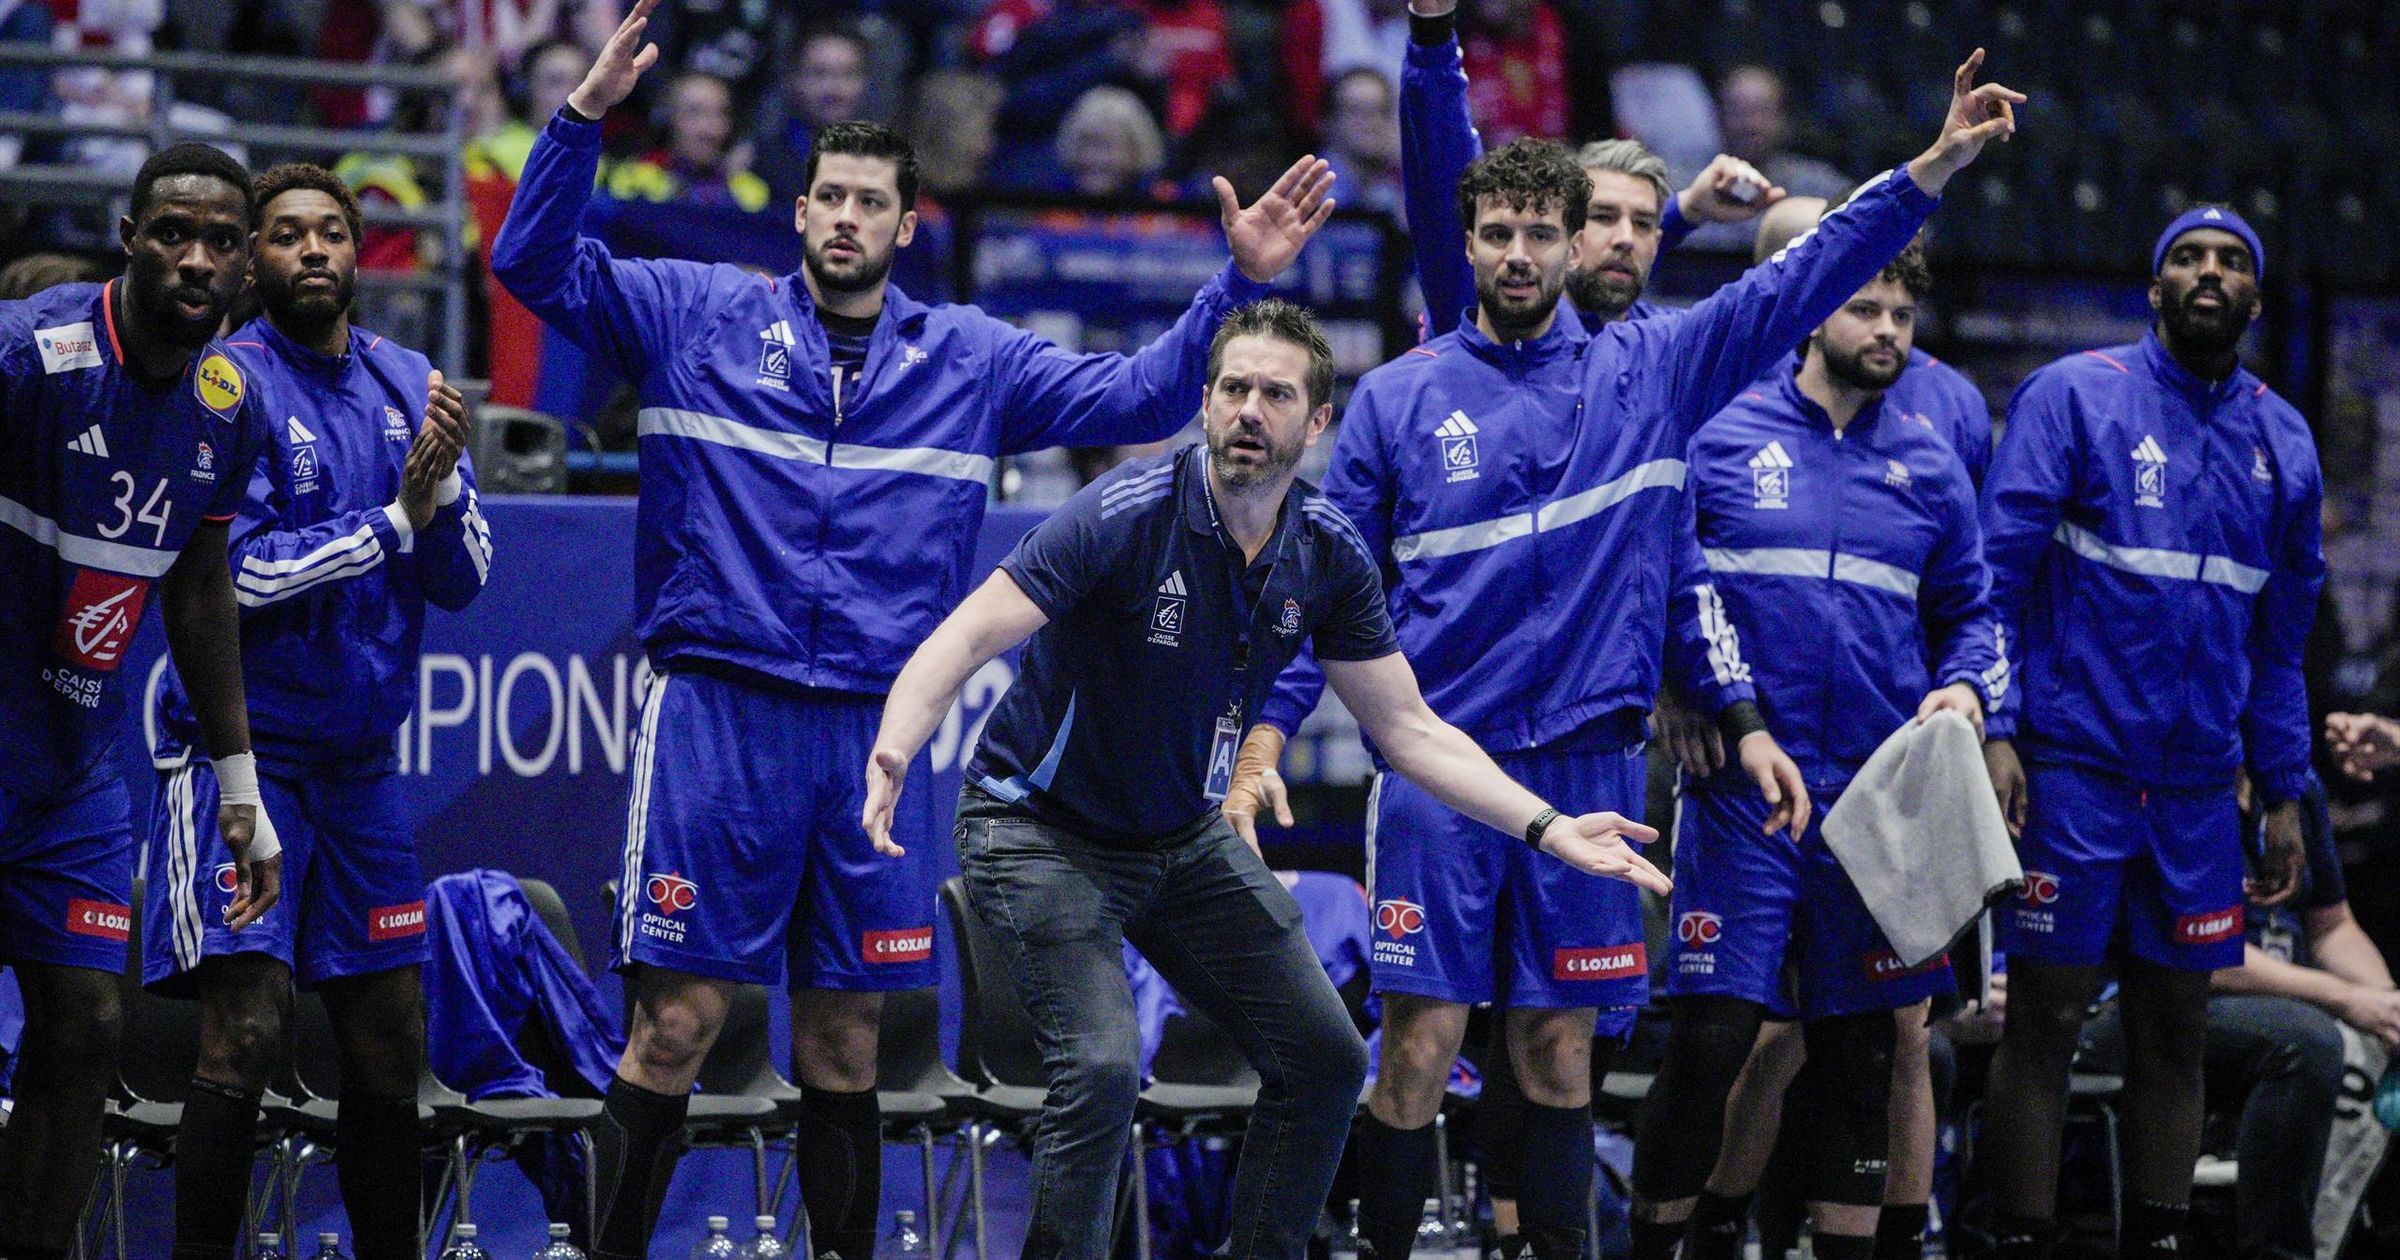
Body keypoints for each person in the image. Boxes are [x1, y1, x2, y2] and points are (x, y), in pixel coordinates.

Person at [489, 5, 1340, 1258]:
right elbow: (528, 264)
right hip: (718, 714)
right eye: (826, 195)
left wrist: (1240, 284)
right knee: (673, 1029)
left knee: (845, 1041)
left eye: (869, 202)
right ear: (800, 211)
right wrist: (577, 123)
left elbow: (1149, 393)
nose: (844, 217)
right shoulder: (691, 315)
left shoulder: (973, 359)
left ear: (904, 224)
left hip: (882, 731)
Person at [1231, 44, 2027, 1260]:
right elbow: (1326, 594)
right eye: (1493, 232)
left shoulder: (1658, 369)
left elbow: (1807, 270)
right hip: (1443, 773)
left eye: (1536, 234)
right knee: (1423, 1045)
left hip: (1595, 770)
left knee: (1557, 1050)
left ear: (1566, 248)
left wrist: (1932, 165)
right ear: (1469, 244)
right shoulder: (1400, 398)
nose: (1515, 254)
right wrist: (1267, 739)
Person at [860, 298, 1672, 1260]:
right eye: (1233, 388)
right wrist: (897, 744)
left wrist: (1548, 826)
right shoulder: (1123, 515)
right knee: (1107, 1065)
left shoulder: (1326, 553)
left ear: (1315, 422)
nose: (1251, 409)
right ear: (1203, 405)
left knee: (1327, 1059)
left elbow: (1408, 728)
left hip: (1178, 835)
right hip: (1038, 830)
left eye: (1276, 394)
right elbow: (965, 633)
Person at [1631, 240, 2006, 1260]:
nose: (1884, 330)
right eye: (1863, 310)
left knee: (1861, 1052)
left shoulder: (1931, 461)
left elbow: (1974, 613)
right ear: (1811, 319)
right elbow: (1657, 576)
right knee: (1711, 1039)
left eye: (1899, 313)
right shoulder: (1718, 433)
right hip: (1744, 787)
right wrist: (1679, 687)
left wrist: (1969, 689)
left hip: (1876, 804)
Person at [144, 162, 489, 1260]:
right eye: (286, 234)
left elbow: (468, 573)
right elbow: (231, 579)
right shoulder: (222, 385)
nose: (311, 251)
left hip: (360, 771)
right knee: (246, 1028)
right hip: (243, 760)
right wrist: (392, 520)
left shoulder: (407, 381)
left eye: (330, 233)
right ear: (253, 258)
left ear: (356, 252)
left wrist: (433, 507)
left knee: (391, 1036)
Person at [1977, 204, 2326, 1260]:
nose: (2209, 273)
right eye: (2187, 258)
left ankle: (2162, 1242)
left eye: (2230, 262)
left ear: (2256, 298)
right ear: (2155, 288)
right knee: (2042, 1023)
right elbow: (1992, 585)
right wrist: (1995, 726)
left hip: (2198, 794)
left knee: (2175, 1033)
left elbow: (2281, 645)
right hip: (2071, 774)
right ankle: (2018, 1243)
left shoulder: (2288, 441)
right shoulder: (2073, 398)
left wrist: (2285, 787)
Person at [0, 141, 280, 1260]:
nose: (196, 258)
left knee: (88, 1025)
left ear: (247, 264)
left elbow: (203, 590)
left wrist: (239, 784)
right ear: (130, 241)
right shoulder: (34, 353)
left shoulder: (228, 403)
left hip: (74, 775)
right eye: (172, 233)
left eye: (220, 240)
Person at [2079, 771, 2400, 1260]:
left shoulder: (2297, 787)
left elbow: (2331, 926)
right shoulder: (2178, 777)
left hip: (2288, 1004)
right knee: (2306, 1043)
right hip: (2149, 1004)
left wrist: (2387, 1003)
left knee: (2352, 1037)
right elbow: (2201, 954)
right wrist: (2348, 999)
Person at [1392, 0, 1786, 341]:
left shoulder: (1653, 345)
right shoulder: (1481, 312)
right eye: (1603, 216)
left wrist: (1687, 211)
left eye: (1645, 224)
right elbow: (1443, 165)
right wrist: (1433, 34)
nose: (1624, 240)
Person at [602, 69, 771, 211]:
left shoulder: (751, 195)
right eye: (695, 113)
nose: (709, 130)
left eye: (720, 114)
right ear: (667, 119)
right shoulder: (632, 182)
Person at [752, 23, 872, 207]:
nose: (834, 89)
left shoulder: (886, 165)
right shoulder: (760, 161)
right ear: (793, 79)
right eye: (819, 74)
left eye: (847, 74)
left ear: (864, 83)